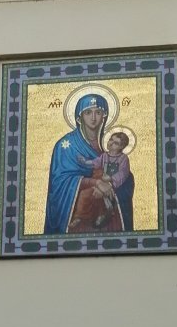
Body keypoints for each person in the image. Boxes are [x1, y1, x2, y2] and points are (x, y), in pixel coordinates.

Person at [44, 94, 124, 234]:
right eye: (88, 112)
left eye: (98, 112)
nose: (93, 118)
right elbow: (60, 182)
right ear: (79, 117)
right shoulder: (66, 146)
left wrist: (112, 183)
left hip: (109, 223)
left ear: (104, 116)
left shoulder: (111, 145)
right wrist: (95, 183)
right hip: (75, 222)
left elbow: (124, 175)